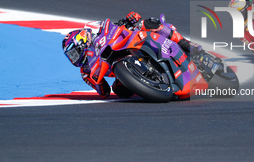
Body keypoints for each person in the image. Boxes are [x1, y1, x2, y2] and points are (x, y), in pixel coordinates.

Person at [62, 12, 202, 98]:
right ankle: (154, 85)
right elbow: (104, 92)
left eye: (74, 53)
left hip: (124, 44)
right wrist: (98, 84)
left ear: (82, 41)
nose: (74, 57)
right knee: (119, 90)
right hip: (123, 69)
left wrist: (128, 20)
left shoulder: (96, 32)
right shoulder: (85, 72)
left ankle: (187, 45)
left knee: (148, 23)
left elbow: (114, 26)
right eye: (71, 56)